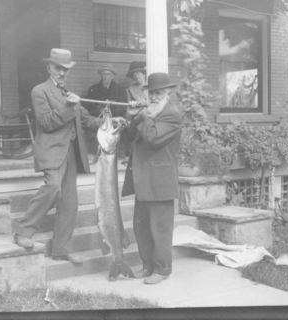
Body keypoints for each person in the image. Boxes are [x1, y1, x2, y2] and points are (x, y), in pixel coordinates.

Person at [14, 48, 123, 264]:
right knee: (53, 187)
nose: (62, 73)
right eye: (58, 68)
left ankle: (61, 248)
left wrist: (107, 123)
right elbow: (46, 121)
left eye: (66, 69)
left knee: (70, 202)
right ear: (49, 68)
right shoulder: (40, 91)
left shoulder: (68, 93)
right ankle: (23, 232)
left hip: (72, 153)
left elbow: (85, 120)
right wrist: (68, 105)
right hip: (52, 151)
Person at [122, 72, 182, 284]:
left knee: (160, 230)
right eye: (151, 93)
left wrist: (144, 116)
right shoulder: (148, 113)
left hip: (161, 182)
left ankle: (163, 269)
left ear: (168, 94)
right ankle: (147, 266)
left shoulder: (172, 114)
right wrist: (132, 116)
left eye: (158, 93)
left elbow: (153, 138)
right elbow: (128, 139)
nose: (154, 97)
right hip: (144, 180)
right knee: (142, 227)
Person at [84, 64, 128, 155]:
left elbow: (123, 107)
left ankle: (120, 150)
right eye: (104, 74)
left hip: (115, 119)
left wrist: (111, 107)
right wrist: (101, 108)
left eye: (108, 74)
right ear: (101, 75)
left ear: (112, 76)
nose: (106, 77)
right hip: (99, 119)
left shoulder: (120, 89)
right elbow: (89, 107)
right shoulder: (93, 89)